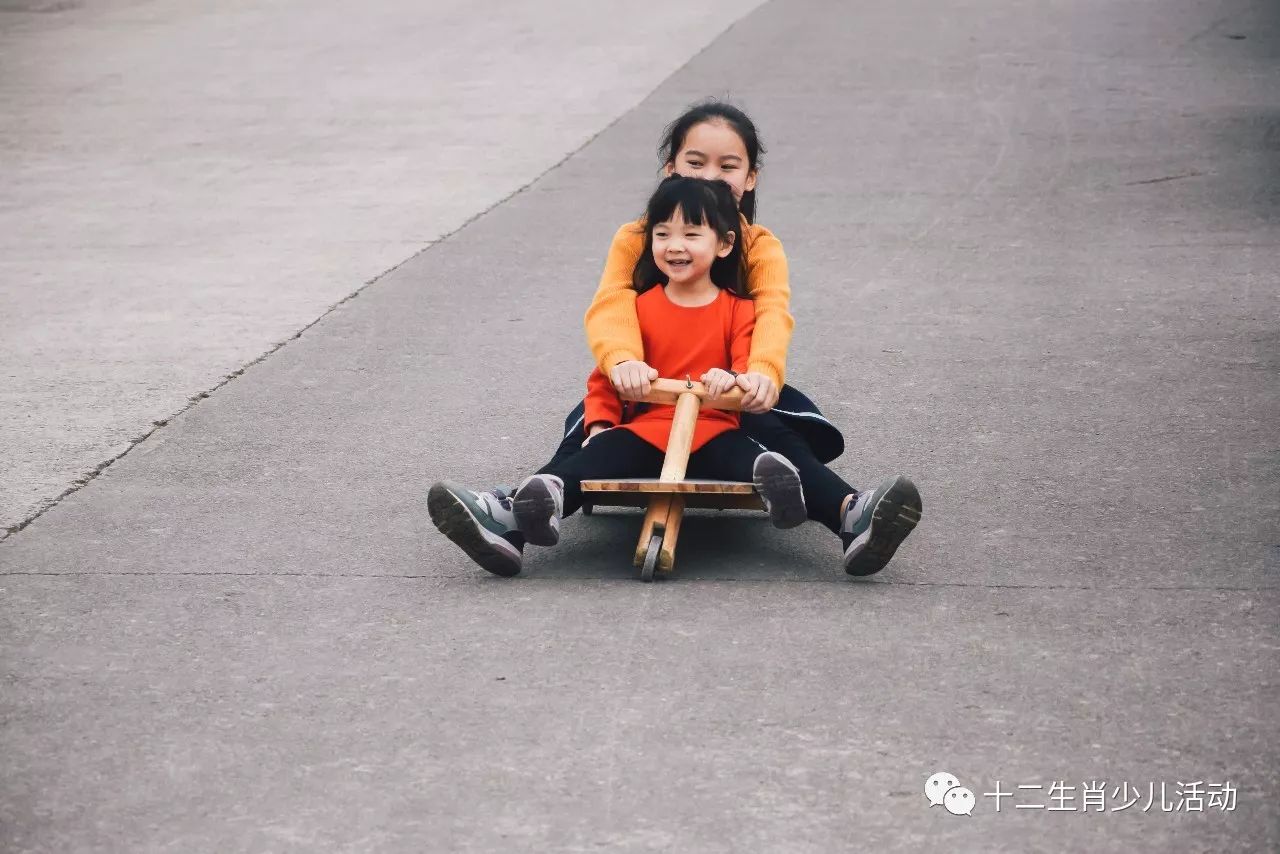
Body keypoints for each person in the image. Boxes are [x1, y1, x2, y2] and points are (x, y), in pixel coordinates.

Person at [432, 100, 922, 577]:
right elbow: (612, 302)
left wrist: (760, 374)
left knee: (770, 423)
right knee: (592, 422)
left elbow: (771, 311)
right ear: (671, 168)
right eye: (695, 162)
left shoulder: (755, 245)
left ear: (750, 178)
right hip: (644, 379)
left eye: (727, 166)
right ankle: (516, 515)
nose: (709, 177)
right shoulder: (642, 236)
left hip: (730, 382)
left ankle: (849, 513)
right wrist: (623, 360)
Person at [430, 177, 808, 574]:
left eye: (691, 234)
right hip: (645, 428)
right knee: (600, 454)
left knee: (740, 452)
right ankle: (550, 497)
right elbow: (604, 379)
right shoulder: (639, 309)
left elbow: (748, 369)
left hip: (712, 426)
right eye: (662, 234)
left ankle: (775, 484)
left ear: (725, 244)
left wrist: (730, 377)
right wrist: (600, 423)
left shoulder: (738, 310)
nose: (674, 245)